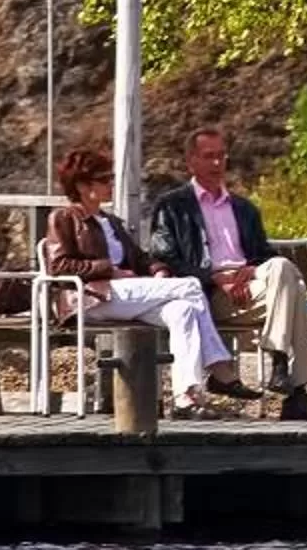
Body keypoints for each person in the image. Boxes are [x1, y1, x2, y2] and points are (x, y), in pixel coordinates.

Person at [41, 144, 254, 414]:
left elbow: (140, 258)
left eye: (111, 178)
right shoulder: (63, 217)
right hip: (92, 297)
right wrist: (108, 269)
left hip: (124, 294)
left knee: (183, 311)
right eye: (104, 179)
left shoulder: (111, 222)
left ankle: (186, 397)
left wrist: (157, 270)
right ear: (82, 186)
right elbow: (57, 265)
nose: (110, 184)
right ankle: (219, 368)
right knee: (190, 285)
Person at [150, 126, 307, 420]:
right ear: (191, 161)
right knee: (294, 291)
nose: (217, 164)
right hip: (208, 295)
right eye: (209, 157)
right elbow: (165, 257)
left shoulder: (244, 208)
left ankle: (283, 365)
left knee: (283, 270)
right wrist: (214, 277)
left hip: (251, 286)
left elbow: (265, 254)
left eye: (221, 156)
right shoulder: (172, 207)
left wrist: (251, 269)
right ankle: (293, 388)